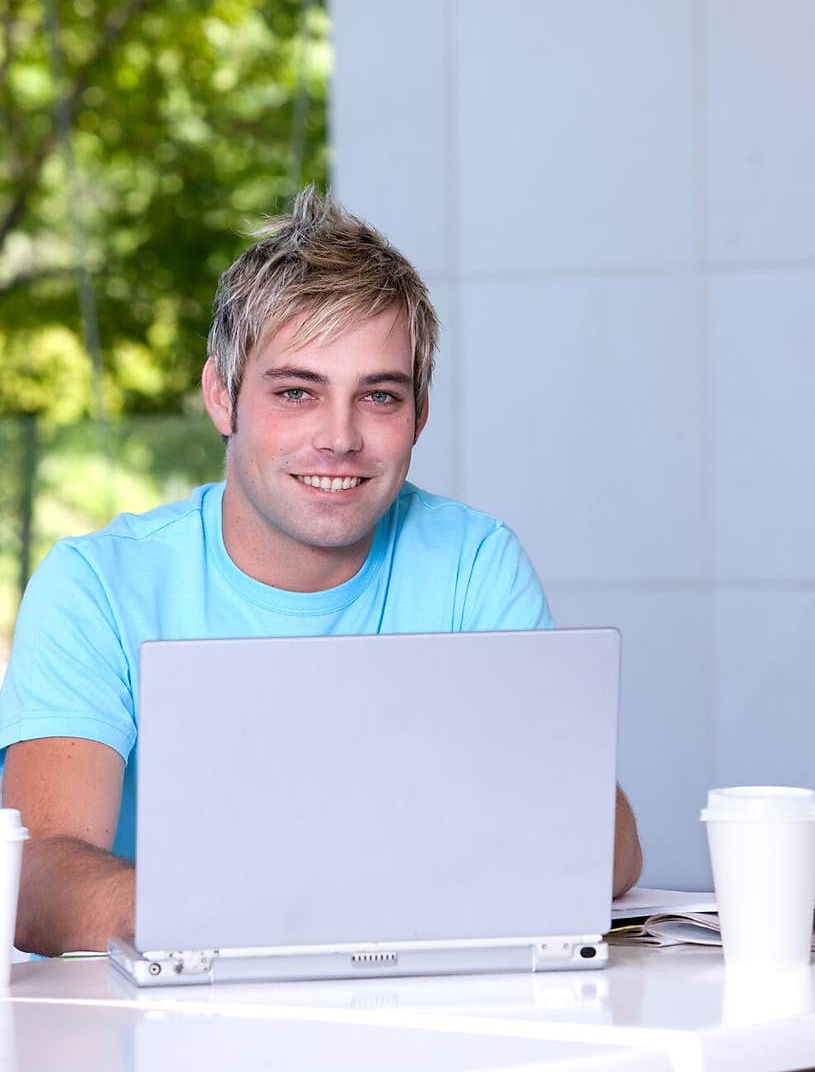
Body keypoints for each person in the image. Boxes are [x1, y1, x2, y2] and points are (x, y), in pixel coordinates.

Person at [0, 188, 642, 956]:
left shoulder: (473, 561)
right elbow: (34, 884)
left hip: (414, 1001)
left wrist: (316, 897)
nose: (339, 438)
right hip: (167, 1017)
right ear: (221, 397)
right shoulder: (97, 586)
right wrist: (279, 903)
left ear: (419, 416)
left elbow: (606, 851)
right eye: (297, 392)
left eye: (378, 396)